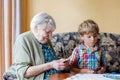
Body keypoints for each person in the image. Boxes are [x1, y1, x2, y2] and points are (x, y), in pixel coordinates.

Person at [3, 12, 69, 80]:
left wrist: (60, 63)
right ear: (36, 28)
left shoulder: (45, 40)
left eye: (51, 32)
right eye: (47, 32)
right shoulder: (23, 40)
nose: (50, 36)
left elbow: (51, 60)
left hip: (56, 76)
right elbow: (24, 72)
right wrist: (51, 65)